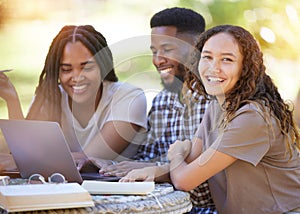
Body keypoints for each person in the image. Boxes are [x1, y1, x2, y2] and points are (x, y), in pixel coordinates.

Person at [121, 25, 300, 214]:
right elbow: (191, 162)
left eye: (227, 59)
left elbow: (184, 180)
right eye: (207, 57)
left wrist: (175, 154)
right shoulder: (217, 106)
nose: (213, 68)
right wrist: (155, 171)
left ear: (245, 67)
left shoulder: (253, 117)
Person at [96, 7, 216, 214]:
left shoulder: (215, 103)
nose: (157, 60)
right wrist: (108, 166)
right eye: (154, 51)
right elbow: (150, 156)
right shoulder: (162, 100)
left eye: (167, 49)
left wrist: (155, 171)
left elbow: (207, 183)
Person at [0, 25, 147, 166]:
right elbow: (24, 150)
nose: (77, 77)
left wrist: (25, 160)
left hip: (119, 189)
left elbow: (88, 158)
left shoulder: (129, 97)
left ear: (103, 66)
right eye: (66, 69)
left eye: (87, 68)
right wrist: (12, 99)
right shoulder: (52, 95)